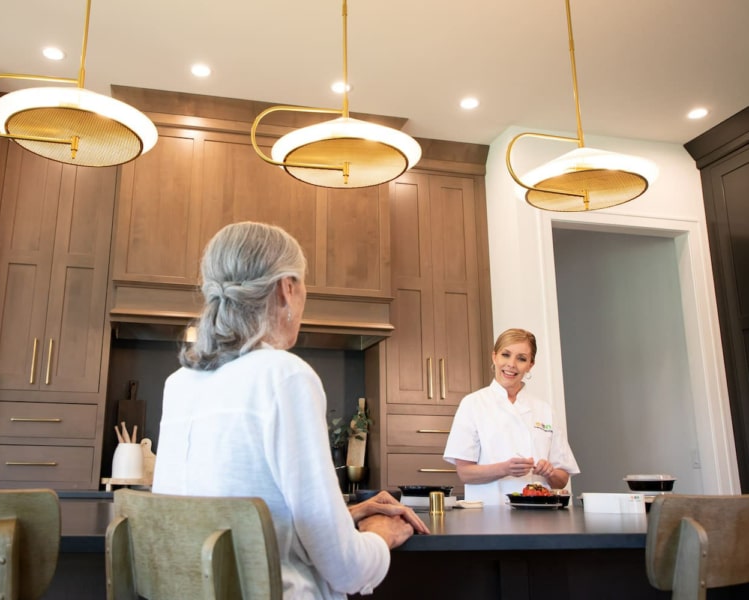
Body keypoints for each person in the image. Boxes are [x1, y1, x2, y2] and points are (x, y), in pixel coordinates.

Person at [152, 221, 428, 599]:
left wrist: (341, 518)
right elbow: (346, 570)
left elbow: (228, 530)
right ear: (287, 288)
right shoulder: (284, 375)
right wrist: (379, 537)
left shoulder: (179, 383)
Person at [443, 328, 579, 506]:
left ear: (530, 364)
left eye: (521, 358)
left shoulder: (544, 410)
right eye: (505, 355)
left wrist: (550, 472)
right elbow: (465, 473)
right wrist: (505, 468)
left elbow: (562, 480)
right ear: (494, 357)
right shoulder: (473, 404)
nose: (511, 364)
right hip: (488, 515)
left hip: (539, 517)